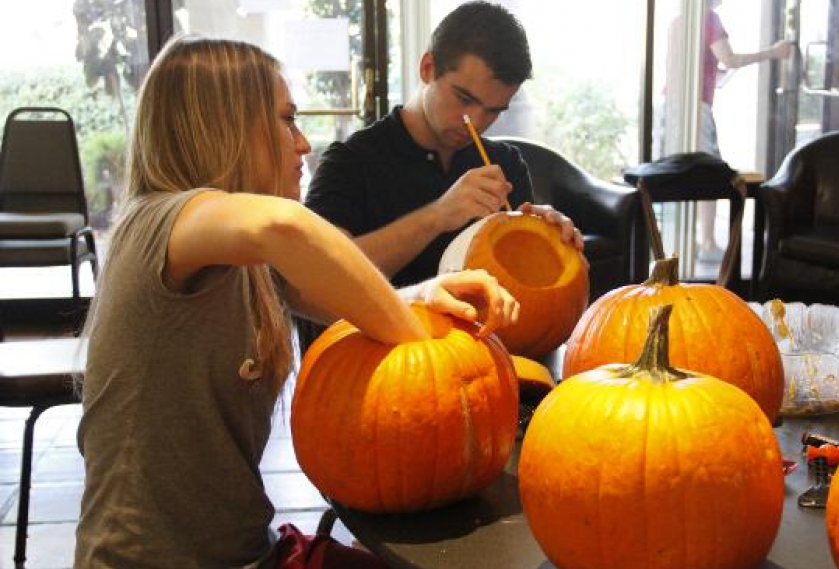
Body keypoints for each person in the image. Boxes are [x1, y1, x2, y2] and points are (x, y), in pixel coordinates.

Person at [73, 35, 519, 569]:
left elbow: (335, 299)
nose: (303, 143)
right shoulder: (163, 221)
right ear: (225, 128)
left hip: (244, 552)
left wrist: (423, 295)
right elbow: (285, 226)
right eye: (287, 120)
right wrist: (416, 333)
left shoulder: (243, 263)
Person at [305, 0, 582, 289]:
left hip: (482, 334)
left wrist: (548, 244)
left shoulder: (505, 166)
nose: (475, 122)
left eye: (494, 110)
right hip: (384, 335)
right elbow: (317, 280)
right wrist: (437, 216)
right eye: (464, 98)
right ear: (427, 68)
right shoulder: (349, 162)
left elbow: (526, 294)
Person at [663, 0, 793, 261]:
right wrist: (773, 52)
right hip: (694, 107)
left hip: (670, 105)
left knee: (681, 175)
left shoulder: (680, 21)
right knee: (709, 174)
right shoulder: (708, 18)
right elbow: (729, 58)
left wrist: (713, 72)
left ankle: (680, 246)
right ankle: (708, 245)